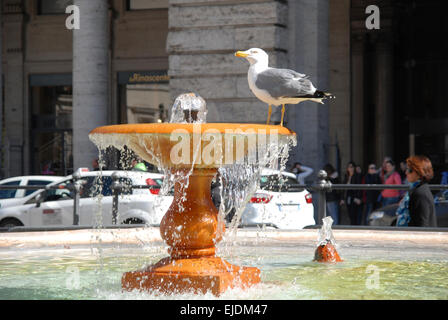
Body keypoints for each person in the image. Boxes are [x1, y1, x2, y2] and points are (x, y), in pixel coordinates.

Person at [396, 155, 436, 227]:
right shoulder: (417, 189)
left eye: (409, 170)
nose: (406, 172)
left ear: (419, 172)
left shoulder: (420, 193)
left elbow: (422, 225)